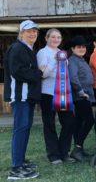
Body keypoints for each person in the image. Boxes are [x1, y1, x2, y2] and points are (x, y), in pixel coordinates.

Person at [4, 20, 41, 179]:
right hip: (20, 97)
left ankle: (21, 160)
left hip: (28, 97)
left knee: (25, 128)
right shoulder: (17, 48)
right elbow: (18, 72)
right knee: (20, 128)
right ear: (21, 33)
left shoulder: (28, 49)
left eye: (35, 31)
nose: (32, 33)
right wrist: (38, 73)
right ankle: (16, 168)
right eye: (28, 31)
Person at [37, 28, 75, 164]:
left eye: (58, 37)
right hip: (48, 93)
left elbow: (66, 74)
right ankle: (54, 155)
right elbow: (43, 74)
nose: (56, 39)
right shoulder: (42, 52)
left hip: (63, 93)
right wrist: (55, 61)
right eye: (53, 37)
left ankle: (64, 152)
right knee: (49, 124)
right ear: (47, 38)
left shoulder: (62, 53)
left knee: (69, 122)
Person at [68, 36, 95, 161]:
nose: (82, 49)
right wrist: (80, 91)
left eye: (83, 47)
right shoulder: (72, 61)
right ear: (73, 49)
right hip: (81, 96)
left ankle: (79, 150)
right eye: (79, 47)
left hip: (87, 95)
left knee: (79, 122)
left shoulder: (82, 60)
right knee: (89, 120)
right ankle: (77, 147)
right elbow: (73, 77)